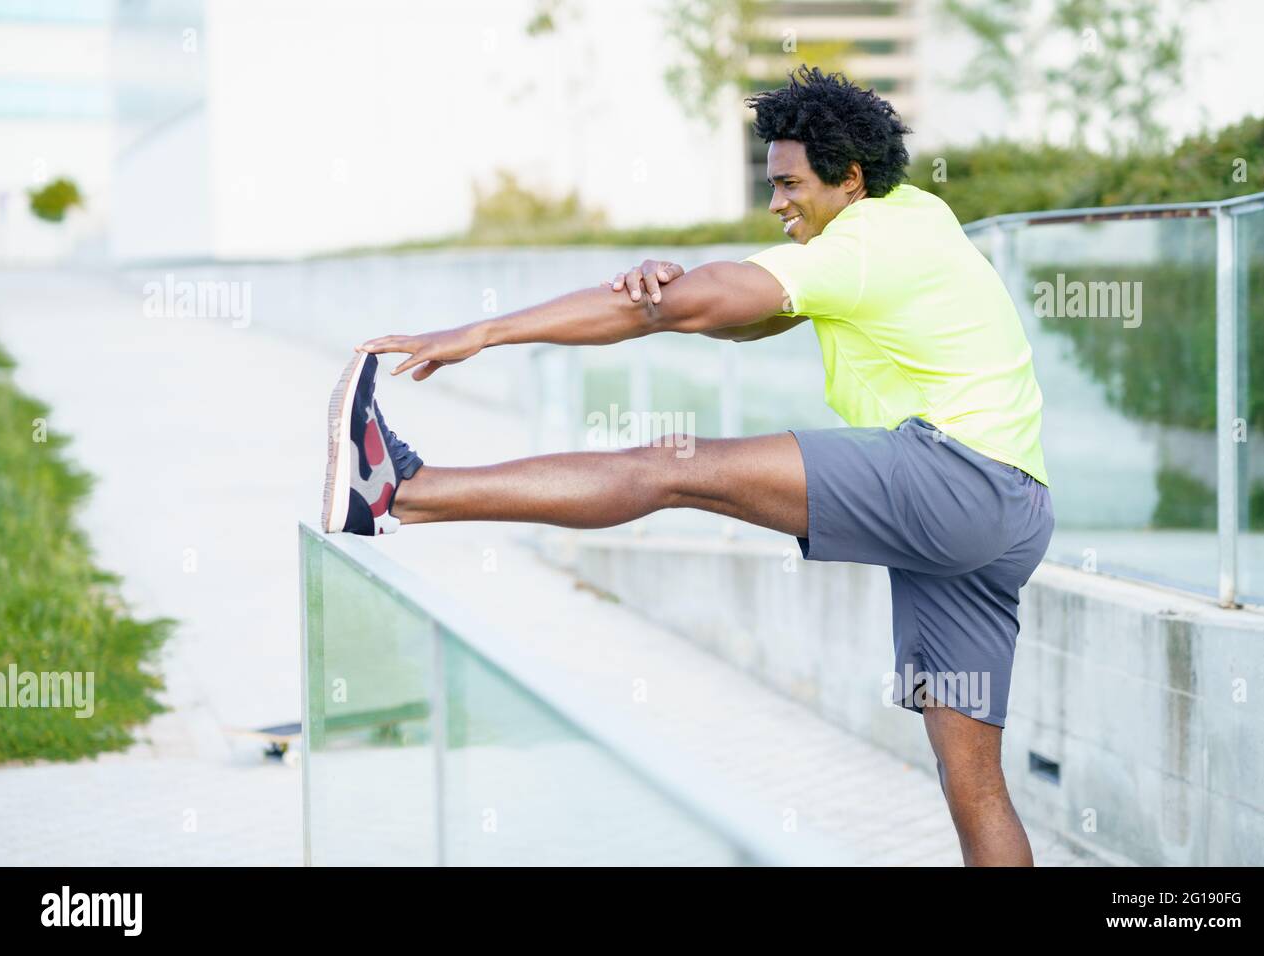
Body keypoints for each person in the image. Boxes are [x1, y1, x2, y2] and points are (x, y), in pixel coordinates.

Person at [323, 65, 1054, 866]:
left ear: (849, 179)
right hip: (1006, 518)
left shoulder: (868, 241)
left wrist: (484, 333)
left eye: (788, 185)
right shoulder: (914, 219)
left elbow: (704, 304)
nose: (777, 203)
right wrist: (677, 292)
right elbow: (741, 314)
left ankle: (407, 492)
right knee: (974, 785)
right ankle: (403, 495)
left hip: (957, 476)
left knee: (674, 465)